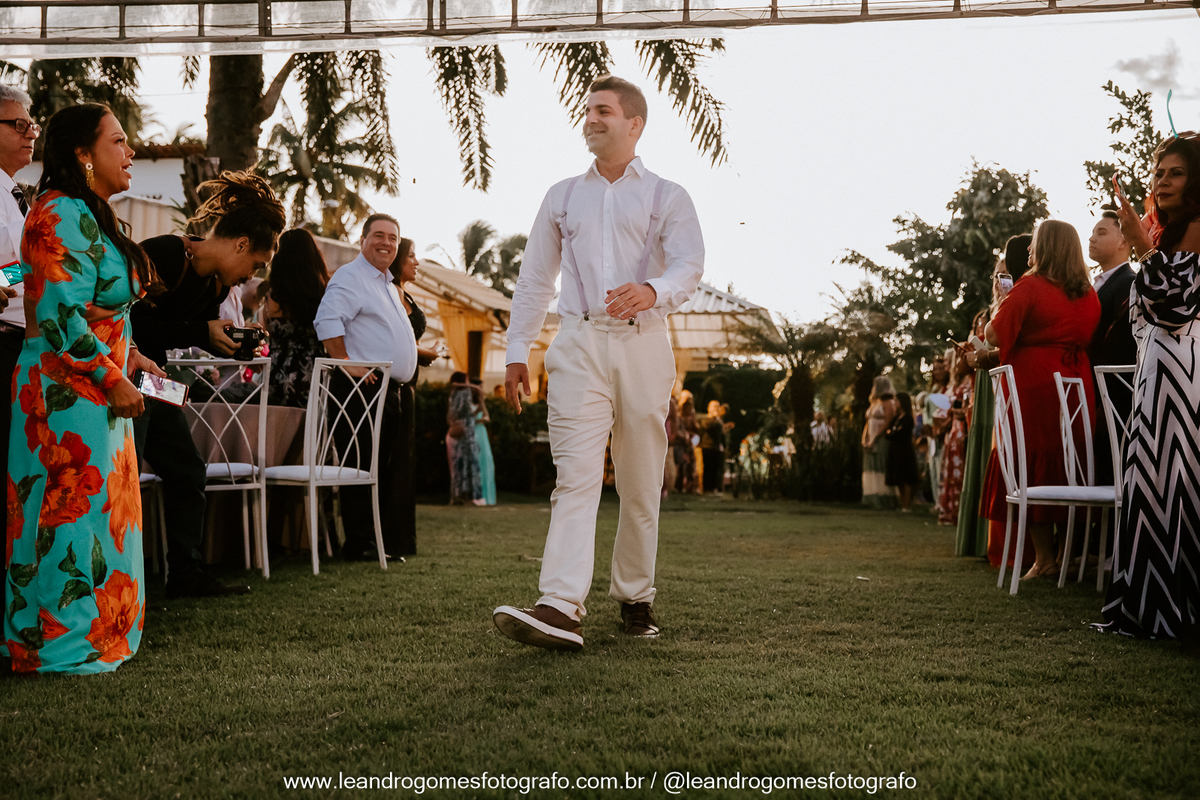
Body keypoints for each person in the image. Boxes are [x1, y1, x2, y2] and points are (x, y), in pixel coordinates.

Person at [492, 75, 704, 650]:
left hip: (644, 344)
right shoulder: (561, 196)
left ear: (634, 124)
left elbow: (689, 264)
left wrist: (653, 290)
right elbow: (534, 279)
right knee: (575, 478)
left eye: (603, 110)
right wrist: (517, 351)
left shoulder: (668, 195)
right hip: (578, 344)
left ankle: (636, 598)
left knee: (640, 482)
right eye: (588, 110)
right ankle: (560, 605)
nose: (591, 118)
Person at [3, 103, 164, 673]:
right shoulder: (57, 210)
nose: (130, 151)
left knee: (96, 513)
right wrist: (110, 374)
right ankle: (59, 642)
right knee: (65, 513)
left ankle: (97, 631)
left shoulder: (82, 211)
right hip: (65, 390)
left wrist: (127, 351)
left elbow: (92, 299)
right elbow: (55, 307)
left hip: (93, 385)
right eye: (118, 140)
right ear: (83, 154)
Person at [132, 172, 284, 597]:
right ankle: (124, 580)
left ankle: (185, 574)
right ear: (240, 244)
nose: (250, 277)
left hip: (157, 381)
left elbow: (189, 332)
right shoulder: (166, 253)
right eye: (255, 265)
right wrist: (202, 332)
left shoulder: (215, 287)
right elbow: (129, 326)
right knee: (127, 472)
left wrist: (233, 344)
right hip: (127, 375)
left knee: (188, 469)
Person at [1098, 132, 1200, 643]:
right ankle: (1146, 603)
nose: (1163, 181)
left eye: (1175, 173)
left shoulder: (1197, 228)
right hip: (1157, 372)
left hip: (1182, 376)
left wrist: (1140, 243)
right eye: (1158, 172)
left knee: (1174, 485)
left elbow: (1176, 307)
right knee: (1150, 485)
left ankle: (1172, 609)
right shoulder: (1172, 233)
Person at [982, 219, 1100, 579]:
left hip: (1034, 385)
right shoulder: (1088, 293)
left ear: (1047, 246)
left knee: (1030, 464)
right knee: (1069, 466)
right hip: (1077, 382)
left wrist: (1001, 305)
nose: (1030, 249)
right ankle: (1065, 556)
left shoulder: (1030, 286)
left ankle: (1044, 558)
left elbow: (993, 335)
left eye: (1035, 242)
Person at [313, 214, 417, 561]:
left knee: (382, 470)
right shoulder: (352, 276)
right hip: (362, 390)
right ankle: (359, 544)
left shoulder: (386, 283)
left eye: (392, 237)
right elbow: (327, 320)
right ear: (363, 240)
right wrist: (346, 362)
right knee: (360, 467)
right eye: (379, 235)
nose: (386, 243)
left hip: (390, 390)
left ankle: (376, 543)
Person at [0, 84, 36, 621]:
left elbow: (11, 268)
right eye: (18, 124)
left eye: (32, 124)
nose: (31, 133)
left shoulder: (13, 193)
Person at [387, 237, 436, 555]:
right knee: (395, 460)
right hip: (393, 385)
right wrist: (424, 352)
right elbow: (393, 338)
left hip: (410, 384)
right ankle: (391, 537)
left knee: (406, 460)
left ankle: (403, 537)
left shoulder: (405, 294)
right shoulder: (389, 292)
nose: (416, 262)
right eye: (412, 256)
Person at [263, 229, 329, 408]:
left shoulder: (272, 295)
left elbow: (267, 331)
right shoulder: (322, 295)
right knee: (308, 424)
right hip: (311, 375)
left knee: (275, 423)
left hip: (275, 373)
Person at [937, 351, 973, 525]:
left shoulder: (969, 382)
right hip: (953, 428)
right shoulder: (955, 384)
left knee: (960, 469)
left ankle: (959, 511)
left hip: (961, 428)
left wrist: (962, 412)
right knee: (951, 470)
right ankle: (950, 510)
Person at [861, 375, 898, 509]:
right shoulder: (874, 403)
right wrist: (865, 439)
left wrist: (875, 438)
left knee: (880, 467)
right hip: (870, 438)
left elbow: (887, 423)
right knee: (870, 468)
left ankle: (883, 498)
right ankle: (871, 497)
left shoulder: (889, 403)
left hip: (881, 439)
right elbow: (868, 423)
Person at [446, 372, 482, 505]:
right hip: (465, 432)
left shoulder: (453, 393)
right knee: (465, 463)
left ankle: (458, 495)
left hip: (462, 430)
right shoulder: (464, 392)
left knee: (458, 465)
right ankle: (466, 495)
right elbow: (464, 410)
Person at [885, 393, 920, 512]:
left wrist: (892, 433)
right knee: (899, 478)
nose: (894, 403)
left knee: (906, 478)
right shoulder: (896, 418)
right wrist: (891, 433)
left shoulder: (908, 419)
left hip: (905, 451)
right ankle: (902, 503)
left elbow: (899, 433)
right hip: (895, 450)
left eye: (896, 401)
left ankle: (907, 504)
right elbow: (889, 432)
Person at [472, 377, 496, 505]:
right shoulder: (466, 401)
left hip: (481, 432)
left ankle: (486, 496)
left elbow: (487, 417)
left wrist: (481, 402)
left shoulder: (480, 402)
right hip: (472, 433)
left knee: (485, 461)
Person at [700, 400, 726, 495]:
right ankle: (707, 488)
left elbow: (722, 434)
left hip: (717, 447)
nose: (716, 408)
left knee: (716, 469)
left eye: (717, 406)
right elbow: (707, 427)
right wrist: (714, 417)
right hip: (707, 446)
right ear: (709, 408)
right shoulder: (706, 419)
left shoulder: (719, 420)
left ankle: (715, 487)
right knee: (708, 468)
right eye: (714, 406)